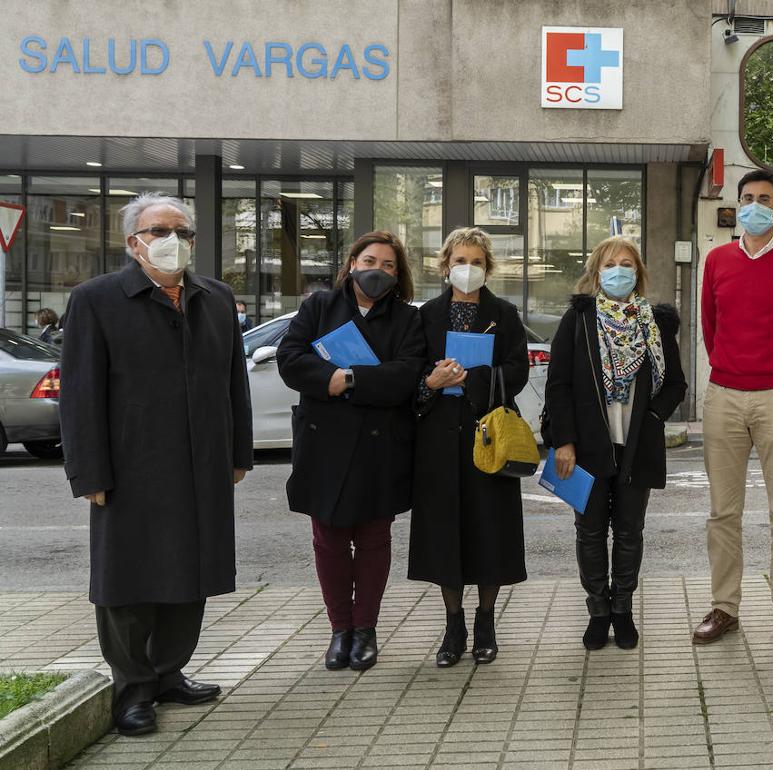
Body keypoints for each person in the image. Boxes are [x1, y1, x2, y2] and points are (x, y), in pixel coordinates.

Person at [58, 193, 252, 736]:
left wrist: (238, 454)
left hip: (203, 464)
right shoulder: (96, 299)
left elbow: (233, 382)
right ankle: (133, 688)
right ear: (132, 242)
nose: (172, 240)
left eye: (182, 231)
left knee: (191, 573)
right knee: (130, 581)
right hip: (131, 467)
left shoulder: (215, 297)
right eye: (158, 229)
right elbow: (79, 393)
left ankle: (169, 672)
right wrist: (89, 472)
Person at [276, 231, 425, 672]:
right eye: (370, 260)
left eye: (389, 266)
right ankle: (339, 630)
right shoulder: (318, 307)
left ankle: (365, 630)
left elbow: (406, 374)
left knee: (374, 538)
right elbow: (290, 359)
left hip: (381, 444)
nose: (378, 270)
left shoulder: (407, 319)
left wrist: (351, 379)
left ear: (399, 277)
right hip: (324, 444)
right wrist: (331, 379)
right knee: (329, 540)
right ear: (352, 263)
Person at [695, 168, 773, 646]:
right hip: (724, 395)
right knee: (722, 512)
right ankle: (724, 607)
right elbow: (711, 328)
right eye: (746, 197)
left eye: (764, 198)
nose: (754, 205)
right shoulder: (718, 260)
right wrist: (732, 370)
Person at [544, 236, 687, 650]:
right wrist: (564, 442)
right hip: (586, 448)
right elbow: (559, 385)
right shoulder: (579, 319)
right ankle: (597, 612)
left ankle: (622, 610)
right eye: (610, 264)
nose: (618, 271)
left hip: (636, 447)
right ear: (596, 272)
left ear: (638, 273)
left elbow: (674, 383)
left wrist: (654, 418)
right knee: (589, 533)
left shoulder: (656, 323)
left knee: (629, 532)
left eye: (627, 263)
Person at [408, 227, 529, 667]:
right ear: (445, 265)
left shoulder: (504, 313)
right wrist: (432, 379)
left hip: (489, 434)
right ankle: (452, 623)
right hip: (439, 437)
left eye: (477, 261)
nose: (468, 268)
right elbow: (412, 370)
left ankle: (485, 619)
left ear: (488, 267)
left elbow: (517, 370)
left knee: (489, 529)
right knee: (445, 533)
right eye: (461, 260)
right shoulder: (425, 316)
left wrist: (473, 377)